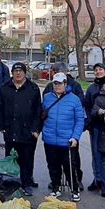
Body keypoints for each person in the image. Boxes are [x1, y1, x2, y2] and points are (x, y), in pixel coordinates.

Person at [0, 62, 42, 196]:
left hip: (28, 131)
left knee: (27, 158)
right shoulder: (5, 88)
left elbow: (38, 110)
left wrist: (36, 129)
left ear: (25, 72)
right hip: (11, 129)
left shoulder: (33, 88)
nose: (18, 73)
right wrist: (1, 126)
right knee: (11, 158)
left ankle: (27, 183)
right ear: (12, 73)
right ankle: (12, 183)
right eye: (15, 71)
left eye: (20, 71)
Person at [42, 73, 84, 202]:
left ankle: (74, 189)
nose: (57, 86)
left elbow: (79, 120)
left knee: (70, 166)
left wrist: (75, 137)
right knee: (53, 165)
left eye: (60, 83)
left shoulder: (74, 99)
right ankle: (56, 187)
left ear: (65, 84)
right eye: (55, 83)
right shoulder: (47, 97)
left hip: (67, 140)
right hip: (50, 139)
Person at [84, 62, 105, 191]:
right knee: (96, 154)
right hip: (95, 126)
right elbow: (86, 105)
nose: (98, 72)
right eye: (96, 70)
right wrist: (88, 121)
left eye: (100, 69)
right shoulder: (91, 88)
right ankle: (97, 179)